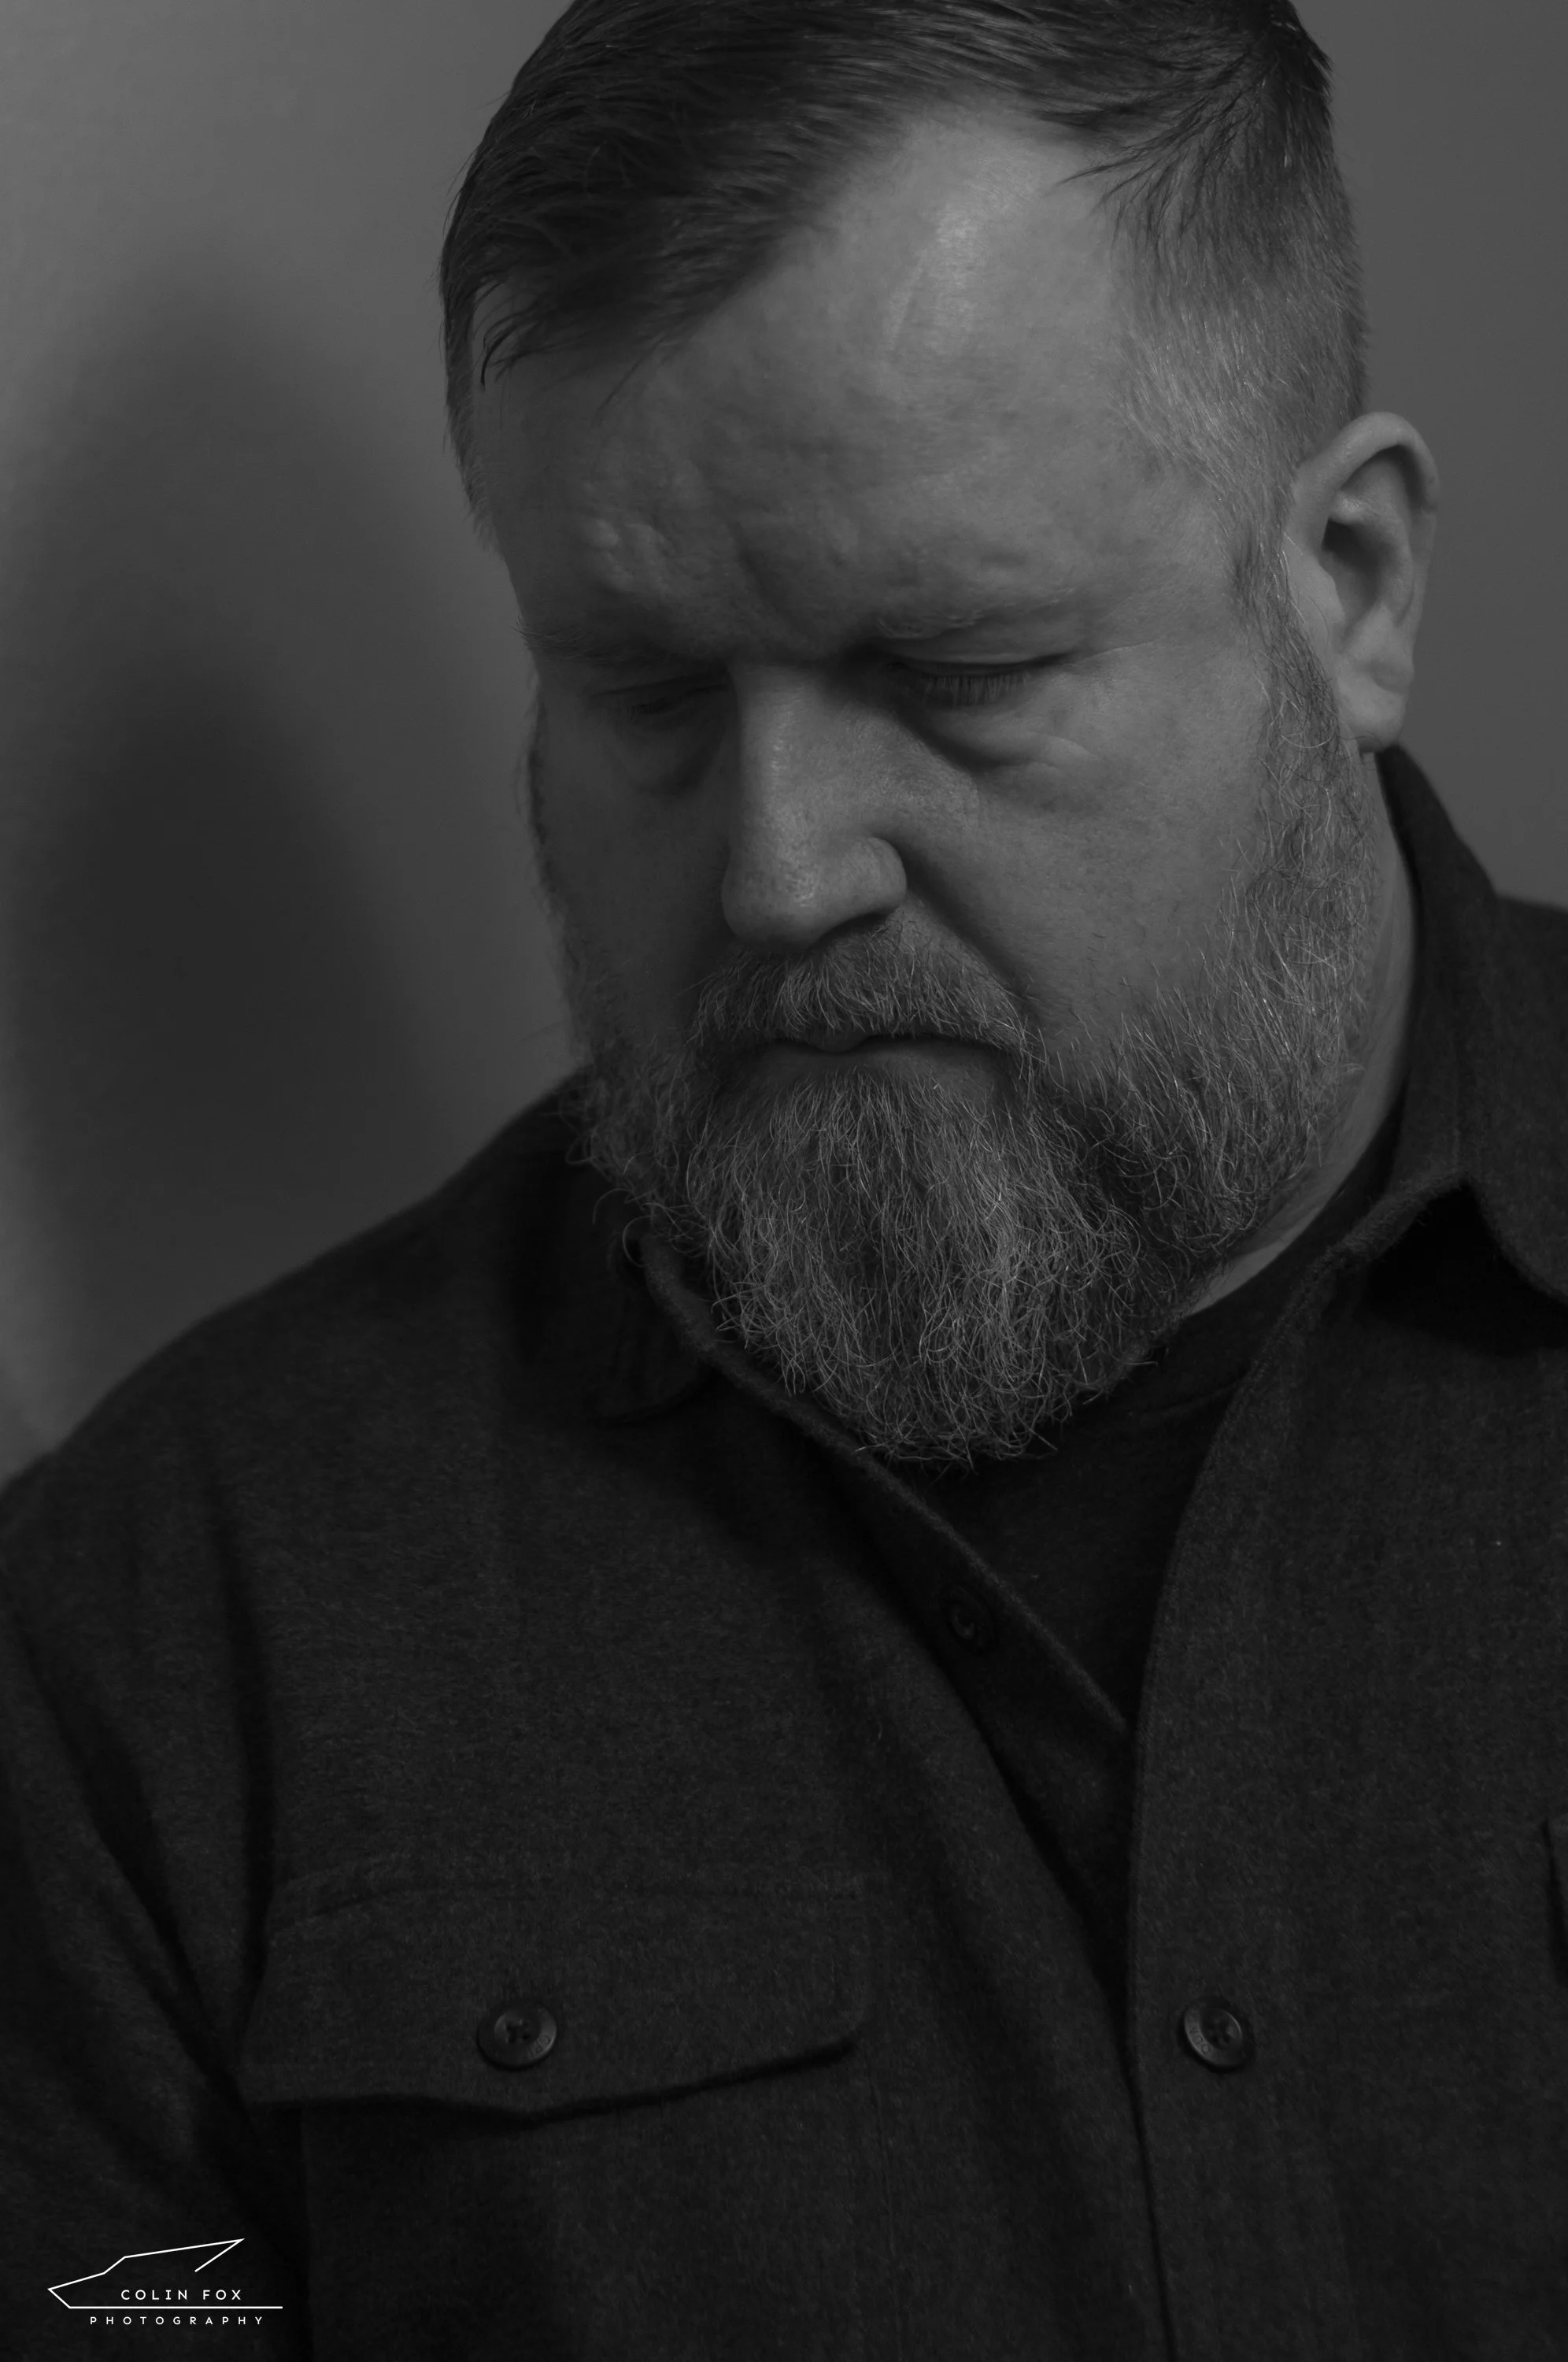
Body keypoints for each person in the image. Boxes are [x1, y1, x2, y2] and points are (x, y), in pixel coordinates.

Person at [3, 2, 1566, 2354]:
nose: (777, 873)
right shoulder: (168, 1636)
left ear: (1346, 584)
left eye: (950, 668)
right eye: (641, 693)